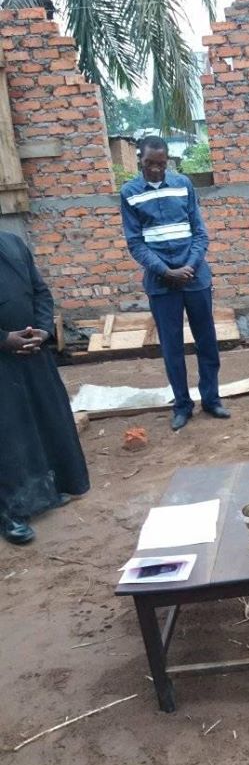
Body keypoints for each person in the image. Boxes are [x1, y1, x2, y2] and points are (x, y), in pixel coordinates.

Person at [120, 136, 229, 431]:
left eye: (161, 163)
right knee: (172, 347)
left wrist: (189, 267)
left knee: (206, 341)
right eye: (150, 163)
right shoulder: (129, 192)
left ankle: (212, 399)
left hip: (194, 277)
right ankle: (182, 406)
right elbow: (135, 243)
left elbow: (200, 233)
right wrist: (166, 271)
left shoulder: (183, 185)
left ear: (167, 160)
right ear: (140, 159)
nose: (156, 169)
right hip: (161, 282)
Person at [0, 232, 89, 545]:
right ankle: (11, 513)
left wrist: (42, 329)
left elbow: (40, 290)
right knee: (8, 435)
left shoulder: (12, 242)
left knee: (43, 422)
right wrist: (4, 339)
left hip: (33, 353)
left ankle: (46, 491)